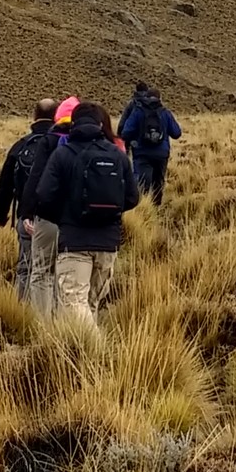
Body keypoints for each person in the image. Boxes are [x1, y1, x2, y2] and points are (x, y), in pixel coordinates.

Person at [32, 99, 137, 324]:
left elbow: (43, 195)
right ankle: (83, 353)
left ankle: (96, 357)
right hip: (108, 243)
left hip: (75, 242)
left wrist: (63, 218)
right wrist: (111, 214)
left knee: (75, 303)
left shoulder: (63, 154)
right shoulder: (117, 154)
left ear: (73, 124)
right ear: (100, 124)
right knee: (91, 304)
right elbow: (132, 197)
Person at [0, 96, 60, 310]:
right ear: (57, 117)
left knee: (26, 268)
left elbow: (4, 187)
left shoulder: (20, 146)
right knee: (54, 269)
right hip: (59, 219)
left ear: (34, 117)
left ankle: (22, 313)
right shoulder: (65, 145)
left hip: (26, 217)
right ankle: (54, 318)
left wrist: (0, 217)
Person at [18, 96, 80, 316]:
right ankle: (65, 322)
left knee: (42, 270)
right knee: (68, 272)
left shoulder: (49, 140)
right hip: (76, 220)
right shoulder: (87, 142)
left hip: (47, 216)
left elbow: (35, 178)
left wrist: (27, 212)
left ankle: (42, 324)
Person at [117, 81, 184, 206]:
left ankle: (142, 209)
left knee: (142, 182)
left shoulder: (138, 111)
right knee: (158, 181)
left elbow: (125, 132)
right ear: (160, 98)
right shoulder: (165, 112)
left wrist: (133, 141)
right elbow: (176, 133)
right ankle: (156, 207)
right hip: (161, 154)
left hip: (142, 153)